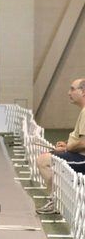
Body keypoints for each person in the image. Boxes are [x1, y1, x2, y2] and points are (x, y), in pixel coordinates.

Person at [36, 78, 85, 214]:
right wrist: (67, 145)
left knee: (43, 160)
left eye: (72, 89)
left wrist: (68, 148)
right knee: (47, 158)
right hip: (78, 155)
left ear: (83, 92)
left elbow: (83, 143)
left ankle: (55, 202)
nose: (68, 92)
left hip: (82, 159)